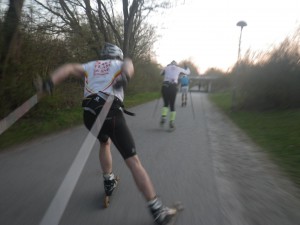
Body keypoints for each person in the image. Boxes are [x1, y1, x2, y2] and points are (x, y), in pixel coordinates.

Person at [36, 43, 177, 225]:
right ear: (117, 55)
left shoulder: (89, 66)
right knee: (133, 161)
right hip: (110, 111)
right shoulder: (120, 63)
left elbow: (69, 67)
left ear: (102, 56)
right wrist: (125, 77)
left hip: (89, 115)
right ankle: (157, 210)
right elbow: (129, 65)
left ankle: (108, 180)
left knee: (105, 143)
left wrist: (50, 82)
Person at [160, 60, 190, 130]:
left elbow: (160, 73)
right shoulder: (178, 68)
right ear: (176, 65)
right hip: (173, 87)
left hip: (165, 86)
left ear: (170, 64)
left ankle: (164, 117)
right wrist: (186, 67)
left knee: (166, 104)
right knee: (172, 105)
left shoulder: (166, 67)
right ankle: (171, 123)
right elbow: (188, 72)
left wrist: (166, 68)